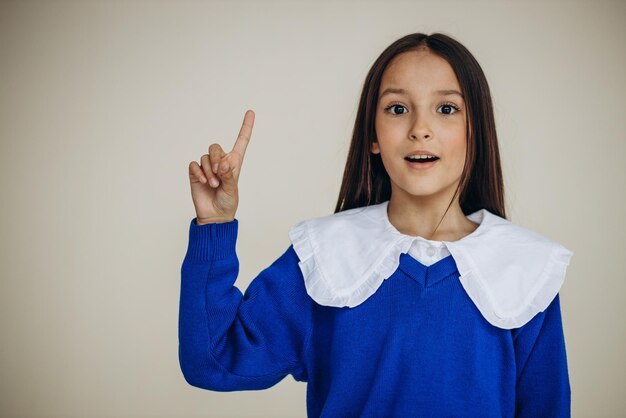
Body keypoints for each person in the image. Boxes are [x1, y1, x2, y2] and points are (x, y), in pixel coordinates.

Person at [180, 32, 574, 417]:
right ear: (373, 134)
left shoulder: (524, 269)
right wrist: (215, 223)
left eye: (447, 109)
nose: (420, 128)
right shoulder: (324, 257)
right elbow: (213, 360)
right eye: (398, 109)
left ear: (476, 131)